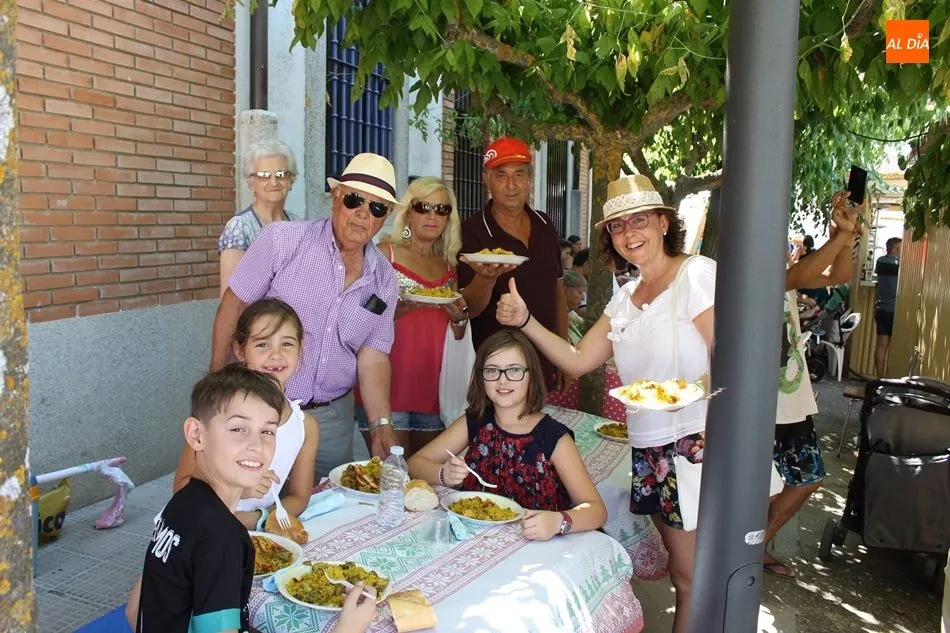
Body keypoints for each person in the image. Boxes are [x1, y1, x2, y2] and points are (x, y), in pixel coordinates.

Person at [495, 174, 715, 633]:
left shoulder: (694, 274)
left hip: (695, 442)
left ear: (663, 222)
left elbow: (730, 356)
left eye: (639, 220)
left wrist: (689, 394)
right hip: (650, 446)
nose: (629, 233)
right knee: (684, 572)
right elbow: (577, 361)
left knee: (693, 575)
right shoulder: (627, 298)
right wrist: (527, 321)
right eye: (617, 225)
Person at [210, 153, 399, 478]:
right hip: (261, 406)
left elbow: (374, 355)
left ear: (386, 217)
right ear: (335, 197)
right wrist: (216, 384)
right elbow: (234, 305)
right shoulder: (282, 241)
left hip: (331, 420)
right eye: (354, 199)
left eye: (377, 207)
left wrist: (381, 425)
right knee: (250, 496)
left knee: (326, 501)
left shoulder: (384, 279)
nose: (362, 213)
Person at [408, 330, 607, 540]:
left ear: (532, 375)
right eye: (492, 370)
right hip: (476, 539)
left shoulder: (553, 437)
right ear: (480, 377)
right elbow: (414, 463)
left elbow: (597, 510)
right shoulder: (476, 421)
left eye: (514, 370)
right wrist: (443, 474)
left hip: (537, 545)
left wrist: (559, 521)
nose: (502, 380)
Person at [765, 191, 863, 578]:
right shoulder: (764, 275)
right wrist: (843, 234)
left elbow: (839, 275)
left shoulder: (784, 277)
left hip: (788, 403)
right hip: (767, 404)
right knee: (789, 481)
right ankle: (751, 547)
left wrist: (844, 238)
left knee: (803, 479)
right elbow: (802, 273)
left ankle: (756, 544)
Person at [175, 299, 319, 529]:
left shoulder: (305, 426)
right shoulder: (221, 414)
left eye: (287, 344)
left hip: (259, 534)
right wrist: (239, 489)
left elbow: (299, 497)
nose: (276, 355)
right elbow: (181, 488)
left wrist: (260, 519)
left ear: (300, 349)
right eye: (262, 344)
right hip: (204, 531)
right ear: (240, 350)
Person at [355, 177, 469, 458]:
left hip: (433, 387)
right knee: (391, 475)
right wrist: (395, 311)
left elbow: (454, 334)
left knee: (424, 474)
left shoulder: (448, 265)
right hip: (387, 384)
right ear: (408, 212)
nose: (432, 216)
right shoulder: (386, 254)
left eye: (441, 209)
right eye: (423, 207)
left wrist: (459, 320)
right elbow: (360, 312)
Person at [458, 137, 568, 391]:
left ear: (530, 178)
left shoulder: (545, 224)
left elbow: (557, 289)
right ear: (487, 180)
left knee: (538, 418)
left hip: (542, 361)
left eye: (519, 174)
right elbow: (468, 309)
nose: (511, 185)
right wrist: (485, 278)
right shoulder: (472, 231)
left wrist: (563, 352)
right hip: (497, 372)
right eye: (501, 175)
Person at [218, 140, 300, 297]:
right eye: (264, 176)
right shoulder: (239, 227)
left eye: (281, 174)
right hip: (256, 312)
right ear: (252, 183)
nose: (274, 182)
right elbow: (230, 297)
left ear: (291, 181)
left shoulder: (297, 223)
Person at [874, 236, 902, 377]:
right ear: (894, 250)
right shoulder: (899, 265)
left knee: (881, 346)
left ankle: (880, 378)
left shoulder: (880, 262)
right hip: (895, 310)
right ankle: (890, 379)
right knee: (895, 348)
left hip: (881, 308)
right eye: (901, 248)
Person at [562, 270, 587, 345]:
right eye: (580, 292)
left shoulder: (572, 315)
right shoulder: (556, 320)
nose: (583, 298)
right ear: (565, 291)